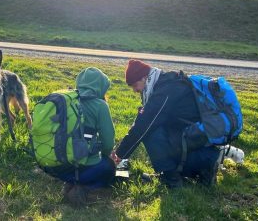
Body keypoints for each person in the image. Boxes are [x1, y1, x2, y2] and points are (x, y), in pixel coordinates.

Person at [111, 59, 222, 188]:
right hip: (197, 137)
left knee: (150, 133)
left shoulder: (165, 91)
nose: (135, 91)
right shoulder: (166, 82)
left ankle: (172, 178)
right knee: (154, 128)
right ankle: (204, 169)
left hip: (194, 139)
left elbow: (143, 126)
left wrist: (119, 154)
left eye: (135, 85)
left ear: (145, 77)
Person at [42, 67, 116, 206]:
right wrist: (106, 156)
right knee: (109, 167)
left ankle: (70, 182)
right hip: (83, 169)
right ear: (101, 87)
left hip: (57, 168)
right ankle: (83, 188)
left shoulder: (66, 100)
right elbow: (108, 143)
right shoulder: (100, 106)